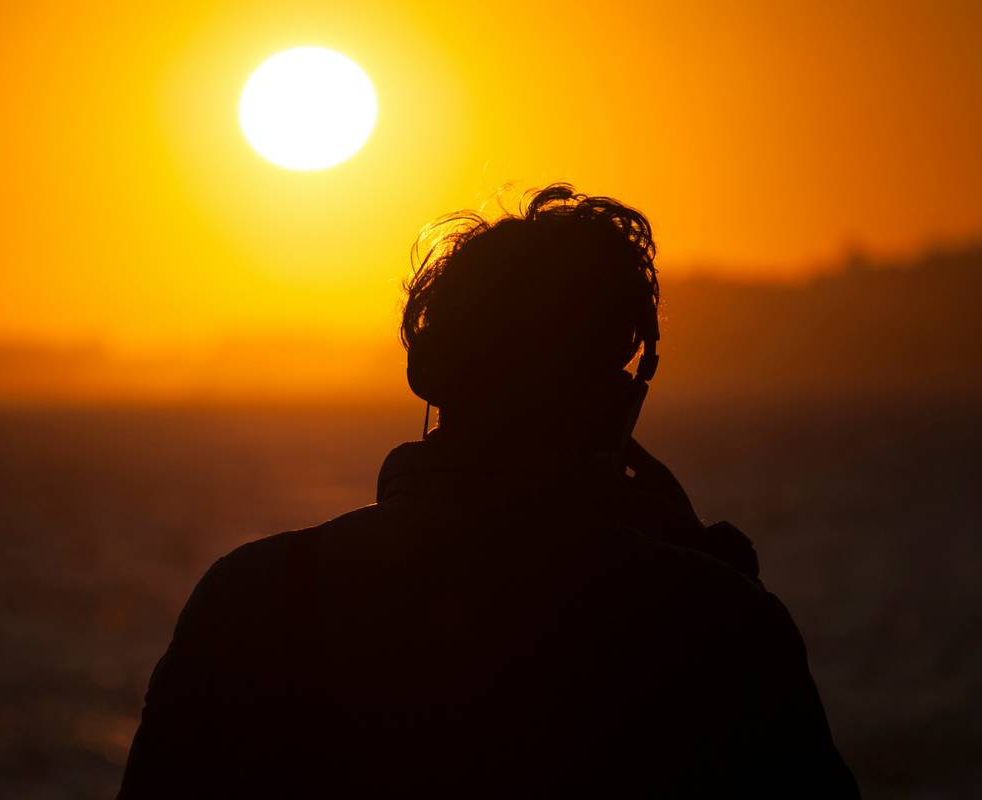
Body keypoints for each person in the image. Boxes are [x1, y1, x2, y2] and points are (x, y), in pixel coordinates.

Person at [118, 185, 860, 797]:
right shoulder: (717, 625)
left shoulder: (250, 599)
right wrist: (709, 574)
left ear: (428, 371)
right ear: (617, 395)